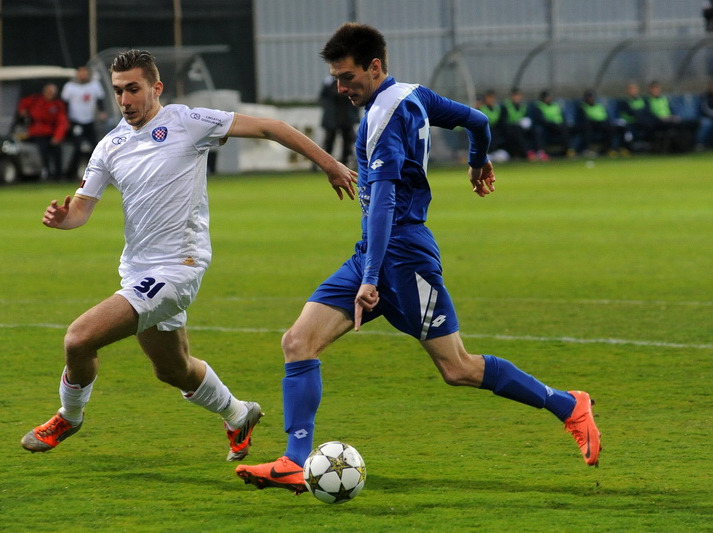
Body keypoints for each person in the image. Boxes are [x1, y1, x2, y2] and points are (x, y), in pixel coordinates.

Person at [235, 23, 601, 495]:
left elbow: (385, 203)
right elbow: (478, 121)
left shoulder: (383, 116)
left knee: (458, 368)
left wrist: (370, 279)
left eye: (348, 77)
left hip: (404, 257)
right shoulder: (414, 95)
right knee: (298, 342)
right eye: (336, 79)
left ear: (375, 67)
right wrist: (477, 161)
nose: (341, 88)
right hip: (374, 252)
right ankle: (293, 460)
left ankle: (568, 405)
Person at [20, 50, 357, 461]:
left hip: (179, 267)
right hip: (138, 272)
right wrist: (62, 219)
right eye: (118, 91)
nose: (124, 100)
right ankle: (239, 414)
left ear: (156, 88)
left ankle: (68, 416)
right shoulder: (110, 145)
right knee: (173, 369)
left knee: (79, 338)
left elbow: (271, 127)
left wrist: (330, 164)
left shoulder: (186, 121)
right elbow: (80, 211)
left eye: (133, 89)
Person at [61, 65, 107, 180]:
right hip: (76, 121)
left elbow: (100, 100)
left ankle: (98, 172)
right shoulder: (70, 86)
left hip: (89, 120)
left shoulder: (94, 85)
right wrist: (66, 120)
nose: (83, 75)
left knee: (95, 147)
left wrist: (102, 111)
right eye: (81, 73)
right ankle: (70, 173)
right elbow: (64, 104)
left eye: (85, 73)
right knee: (77, 147)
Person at [18, 83, 69, 179]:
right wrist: (23, 111)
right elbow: (23, 103)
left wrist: (57, 137)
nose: (50, 95)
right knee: (42, 149)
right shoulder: (36, 100)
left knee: (57, 150)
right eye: (48, 92)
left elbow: (62, 122)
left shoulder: (57, 105)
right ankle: (45, 171)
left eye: (52, 93)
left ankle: (59, 174)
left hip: (50, 132)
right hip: (36, 132)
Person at [644, 80, 698, 153]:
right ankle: (679, 147)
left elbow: (671, 110)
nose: (655, 90)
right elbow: (649, 114)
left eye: (657, 88)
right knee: (676, 126)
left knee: (689, 124)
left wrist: (673, 116)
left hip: (669, 119)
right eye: (653, 88)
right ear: (650, 90)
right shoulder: (648, 101)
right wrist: (660, 118)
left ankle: (689, 145)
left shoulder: (664, 99)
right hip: (659, 122)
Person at [319, 74, 361, 165]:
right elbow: (322, 98)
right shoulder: (328, 82)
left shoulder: (350, 81)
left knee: (347, 141)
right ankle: (325, 162)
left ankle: (345, 161)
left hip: (346, 116)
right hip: (333, 117)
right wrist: (328, 109)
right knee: (329, 140)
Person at [574, 89, 625, 156]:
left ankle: (609, 149)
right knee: (586, 127)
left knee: (611, 127)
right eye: (589, 97)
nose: (591, 99)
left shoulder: (599, 106)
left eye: (592, 97)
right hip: (590, 124)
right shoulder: (582, 107)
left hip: (601, 124)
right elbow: (583, 118)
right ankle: (587, 149)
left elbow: (605, 116)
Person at [530, 89, 573, 159]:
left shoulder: (556, 105)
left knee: (566, 128)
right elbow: (541, 119)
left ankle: (568, 150)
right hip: (547, 126)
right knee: (538, 130)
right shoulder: (539, 106)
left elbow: (562, 117)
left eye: (549, 97)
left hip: (559, 125)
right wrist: (552, 124)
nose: (548, 98)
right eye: (546, 97)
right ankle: (540, 152)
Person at [499, 87, 536, 160]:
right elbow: (503, 121)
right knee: (517, 131)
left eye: (518, 96)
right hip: (510, 129)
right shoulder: (506, 106)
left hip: (521, 128)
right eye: (515, 95)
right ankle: (526, 152)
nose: (516, 98)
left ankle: (538, 151)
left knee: (536, 130)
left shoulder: (523, 106)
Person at [617, 82, 650, 151]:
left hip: (642, 122)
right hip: (630, 123)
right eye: (630, 89)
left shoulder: (643, 100)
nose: (632, 91)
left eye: (634, 89)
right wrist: (639, 113)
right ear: (627, 91)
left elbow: (646, 111)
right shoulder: (624, 102)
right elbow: (631, 112)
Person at [477, 89, 507, 161]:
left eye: (492, 98)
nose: (491, 100)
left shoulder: (497, 108)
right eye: (489, 98)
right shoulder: (481, 108)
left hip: (495, 130)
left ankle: (495, 151)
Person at [696, 80, 713, 150]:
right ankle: (700, 144)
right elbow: (705, 109)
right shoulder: (705, 96)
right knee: (706, 123)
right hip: (705, 117)